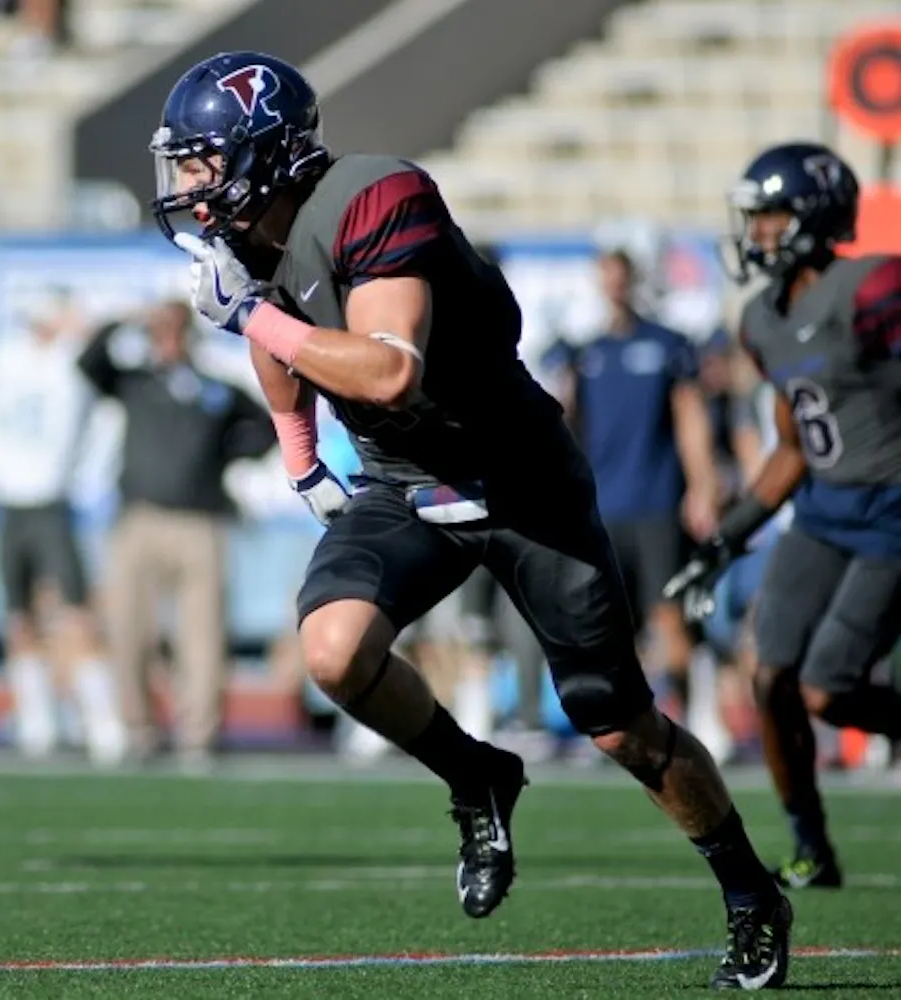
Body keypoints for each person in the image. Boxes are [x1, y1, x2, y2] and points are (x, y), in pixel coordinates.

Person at [152, 51, 789, 988]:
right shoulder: (250, 236)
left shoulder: (377, 196)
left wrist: (252, 315)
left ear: (270, 152)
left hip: (517, 477)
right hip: (404, 479)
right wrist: (300, 464)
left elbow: (386, 369)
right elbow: (283, 351)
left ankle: (747, 887)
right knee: (332, 651)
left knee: (618, 727)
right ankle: (476, 774)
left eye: (205, 161)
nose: (191, 185)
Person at [667, 142, 901, 893]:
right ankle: (809, 844)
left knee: (827, 689)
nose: (757, 230)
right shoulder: (761, 322)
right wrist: (725, 539)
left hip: (892, 511)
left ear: (814, 216)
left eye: (770, 213)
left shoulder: (872, 288)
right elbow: (794, 444)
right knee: (769, 678)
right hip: (824, 511)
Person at [78, 299, 275, 768]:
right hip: (139, 521)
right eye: (158, 330)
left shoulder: (214, 389)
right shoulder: (135, 382)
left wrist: (225, 456)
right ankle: (139, 729)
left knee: (202, 636)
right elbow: (88, 363)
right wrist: (125, 318)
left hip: (200, 522)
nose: (165, 338)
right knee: (129, 631)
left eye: (172, 329)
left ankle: (198, 736)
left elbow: (265, 429)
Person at [542, 249, 721, 720]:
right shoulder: (586, 353)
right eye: (607, 279)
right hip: (605, 505)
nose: (614, 288)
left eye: (621, 278)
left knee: (669, 614)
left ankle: (692, 713)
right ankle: (636, 717)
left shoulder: (667, 345)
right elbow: (569, 427)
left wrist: (702, 486)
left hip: (656, 501)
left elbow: (690, 419)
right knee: (613, 622)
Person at [0, 288, 126, 764]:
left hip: (53, 500)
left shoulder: (72, 362)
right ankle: (37, 718)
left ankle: (102, 720)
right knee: (19, 617)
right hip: (10, 501)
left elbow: (108, 329)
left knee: (76, 611)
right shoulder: (6, 358)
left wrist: (76, 325)